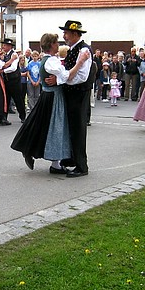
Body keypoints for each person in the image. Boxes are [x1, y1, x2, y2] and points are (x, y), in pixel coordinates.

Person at [11, 33, 89, 174]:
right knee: (56, 129)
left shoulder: (49, 59)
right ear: (52, 44)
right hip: (54, 96)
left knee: (44, 126)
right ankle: (54, 164)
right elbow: (66, 76)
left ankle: (46, 158)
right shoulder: (51, 61)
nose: (58, 45)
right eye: (56, 43)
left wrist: (57, 79)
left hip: (49, 95)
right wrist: (80, 62)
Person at [47, 20, 93, 177]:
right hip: (71, 93)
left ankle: (82, 166)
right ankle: (72, 159)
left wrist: (60, 80)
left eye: (66, 33)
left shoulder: (84, 51)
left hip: (79, 94)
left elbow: (81, 76)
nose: (63, 36)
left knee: (78, 130)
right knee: (72, 128)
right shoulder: (74, 49)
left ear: (74, 34)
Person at [1, 38, 26, 123]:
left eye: (5, 45)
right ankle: (4, 117)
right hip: (6, 80)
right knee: (6, 99)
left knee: (18, 99)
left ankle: (23, 116)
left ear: (9, 46)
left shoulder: (14, 54)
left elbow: (13, 68)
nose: (3, 47)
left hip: (14, 81)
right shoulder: (4, 55)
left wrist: (3, 71)